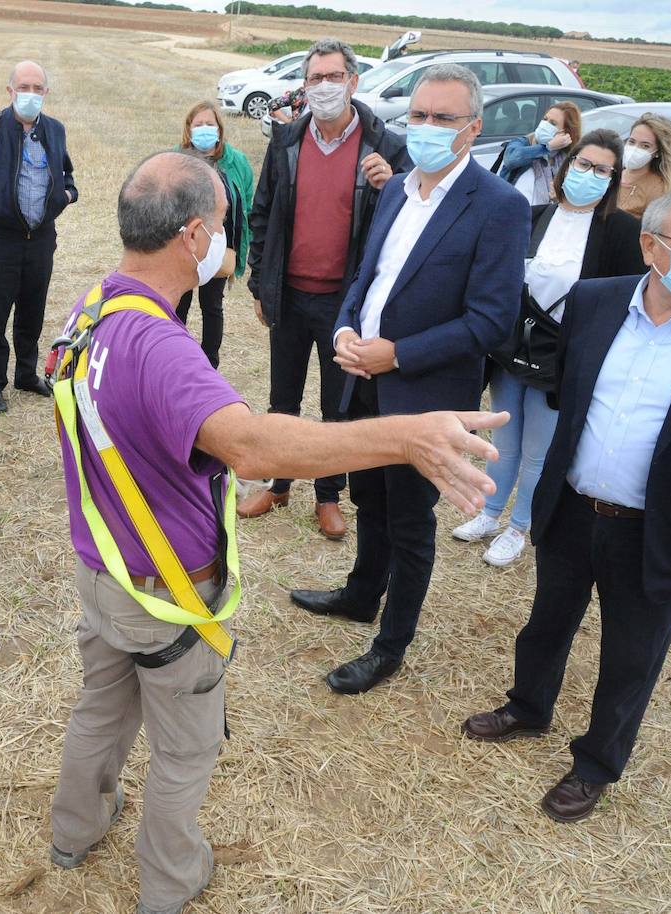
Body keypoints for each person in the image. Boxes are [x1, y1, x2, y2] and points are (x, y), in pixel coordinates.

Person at [48, 149, 508, 914]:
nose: (231, 243)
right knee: (185, 749)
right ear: (194, 235)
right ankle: (170, 882)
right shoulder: (162, 347)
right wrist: (408, 436)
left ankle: (75, 831)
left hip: (102, 571)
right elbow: (254, 446)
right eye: (226, 226)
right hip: (165, 590)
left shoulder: (94, 305)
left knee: (101, 706)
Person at [462, 186, 671, 823]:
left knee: (632, 654)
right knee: (548, 621)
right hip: (573, 508)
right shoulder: (594, 302)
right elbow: (568, 395)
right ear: (651, 246)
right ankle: (527, 706)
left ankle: (596, 763)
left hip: (657, 528)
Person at [288, 64, 529, 695]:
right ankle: (362, 593)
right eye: (417, 115)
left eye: (443, 118)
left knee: (411, 522)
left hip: (421, 393)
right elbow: (368, 276)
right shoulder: (396, 189)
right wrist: (344, 330)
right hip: (361, 377)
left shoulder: (498, 206)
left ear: (472, 129)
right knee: (369, 493)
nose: (425, 127)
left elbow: (491, 319)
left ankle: (390, 645)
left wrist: (398, 356)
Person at [244, 38, 411, 539]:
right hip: (290, 294)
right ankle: (278, 484)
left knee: (337, 405)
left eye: (332, 77)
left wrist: (393, 187)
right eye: (314, 78)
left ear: (353, 82)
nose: (323, 87)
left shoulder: (386, 148)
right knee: (283, 397)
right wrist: (260, 280)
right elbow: (262, 213)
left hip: (346, 302)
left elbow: (409, 227)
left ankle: (327, 494)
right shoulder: (287, 141)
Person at [455, 129, 646, 566]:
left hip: (562, 359)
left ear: (613, 179)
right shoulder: (533, 214)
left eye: (602, 169)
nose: (589, 174)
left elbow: (621, 301)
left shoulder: (618, 231)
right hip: (513, 349)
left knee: (540, 450)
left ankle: (520, 526)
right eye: (583, 163)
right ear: (567, 163)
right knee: (504, 437)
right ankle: (489, 511)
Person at [0, 59, 78, 414]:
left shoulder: (55, 130)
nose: (29, 94)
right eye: (22, 88)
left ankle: (26, 373)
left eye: (36, 88)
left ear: (46, 93)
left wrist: (67, 195)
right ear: (10, 91)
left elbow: (67, 173)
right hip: (2, 237)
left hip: (41, 239)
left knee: (32, 311)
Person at [174, 100, 253, 368]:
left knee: (212, 307)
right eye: (198, 125)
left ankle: (209, 365)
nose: (204, 129)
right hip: (183, 246)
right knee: (178, 306)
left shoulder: (237, 162)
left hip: (218, 247)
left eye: (210, 124)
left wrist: (241, 250)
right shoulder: (175, 160)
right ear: (188, 129)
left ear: (219, 128)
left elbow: (248, 208)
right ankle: (175, 359)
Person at [497, 101, 582, 205]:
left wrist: (558, 198)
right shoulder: (523, 143)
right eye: (545, 119)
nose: (545, 124)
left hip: (540, 218)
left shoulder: (566, 160)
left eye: (553, 123)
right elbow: (511, 159)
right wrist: (547, 147)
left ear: (564, 133)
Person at [617, 112, 671, 219]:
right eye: (631, 142)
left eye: (645, 146)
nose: (635, 149)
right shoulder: (612, 173)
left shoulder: (658, 188)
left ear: (658, 152)